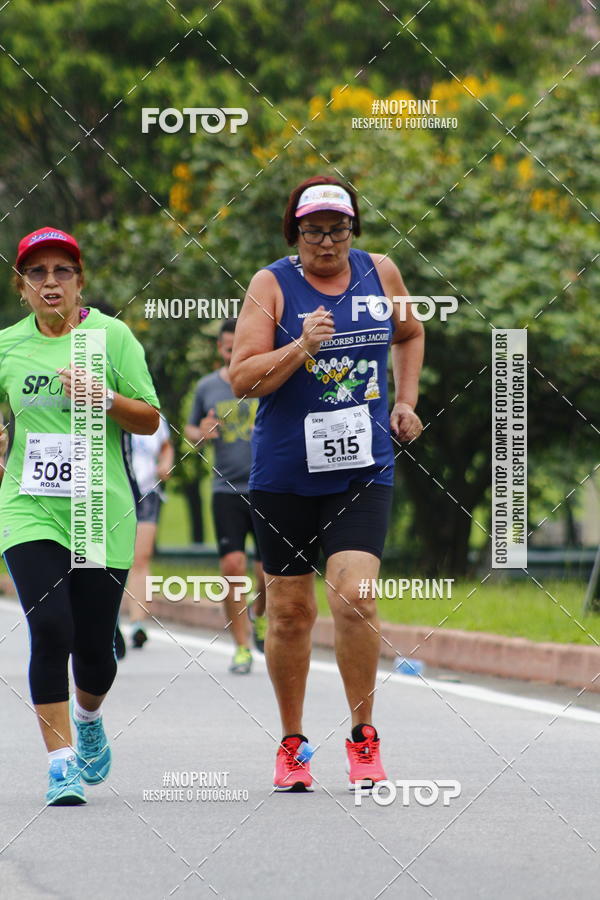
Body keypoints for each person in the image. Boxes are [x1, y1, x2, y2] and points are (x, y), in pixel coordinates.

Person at [229, 176, 425, 791]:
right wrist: (300, 348)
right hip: (284, 474)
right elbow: (242, 379)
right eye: (313, 231)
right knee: (290, 613)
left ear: (353, 229)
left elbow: (411, 333)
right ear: (295, 233)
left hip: (361, 468)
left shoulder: (380, 272)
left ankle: (364, 737)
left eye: (338, 229)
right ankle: (293, 744)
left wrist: (406, 401)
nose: (326, 242)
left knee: (355, 598)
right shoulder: (271, 284)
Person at [0, 227, 160, 805]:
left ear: (79, 281)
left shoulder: (111, 338)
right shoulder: (7, 346)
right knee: (50, 629)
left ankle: (88, 718)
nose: (50, 282)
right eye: (37, 272)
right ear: (22, 286)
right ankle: (60, 763)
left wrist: (105, 398)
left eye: (61, 271)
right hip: (30, 508)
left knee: (95, 652)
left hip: (100, 510)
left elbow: (149, 418)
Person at [185, 319, 267, 674]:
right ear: (220, 349)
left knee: (267, 573)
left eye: (241, 347)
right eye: (229, 348)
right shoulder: (207, 387)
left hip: (268, 488)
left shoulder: (267, 379)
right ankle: (242, 646)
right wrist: (200, 432)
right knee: (232, 567)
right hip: (226, 489)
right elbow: (190, 430)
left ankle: (259, 615)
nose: (235, 354)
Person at [125, 416, 174, 648]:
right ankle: (106, 622)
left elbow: (166, 446)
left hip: (146, 492)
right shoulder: (103, 403)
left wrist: (165, 464)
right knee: (102, 559)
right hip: (111, 492)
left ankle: (137, 623)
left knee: (141, 558)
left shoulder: (151, 412)